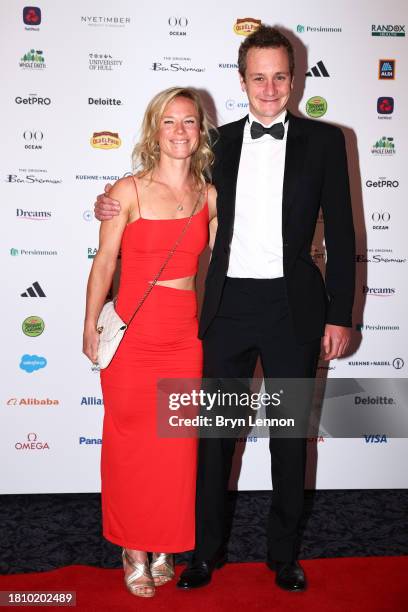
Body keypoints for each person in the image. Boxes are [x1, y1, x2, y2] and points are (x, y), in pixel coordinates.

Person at [94, 25, 355, 593]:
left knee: (290, 439)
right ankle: (204, 554)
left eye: (279, 76)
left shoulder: (327, 142)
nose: (268, 87)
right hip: (226, 308)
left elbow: (341, 229)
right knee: (215, 438)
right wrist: (107, 202)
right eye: (257, 76)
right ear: (242, 81)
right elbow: (168, 188)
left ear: (294, 79)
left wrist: (340, 314)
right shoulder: (220, 145)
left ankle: (283, 556)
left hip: (295, 311)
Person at [83, 86, 217, 598]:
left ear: (201, 132)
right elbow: (103, 265)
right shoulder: (127, 191)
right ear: (154, 130)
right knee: (129, 446)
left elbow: (239, 251)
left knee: (176, 450)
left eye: (189, 121)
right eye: (169, 122)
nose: (180, 131)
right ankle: (133, 549)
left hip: (184, 338)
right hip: (134, 336)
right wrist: (90, 324)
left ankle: (163, 544)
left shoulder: (209, 196)